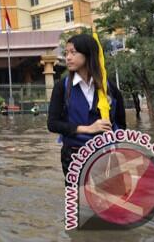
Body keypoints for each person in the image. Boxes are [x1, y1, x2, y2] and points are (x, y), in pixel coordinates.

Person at [47, 34, 126, 184]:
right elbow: (52, 124)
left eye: (73, 52)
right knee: (79, 202)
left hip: (105, 155)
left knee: (110, 201)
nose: (68, 57)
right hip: (74, 155)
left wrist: (115, 146)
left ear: (88, 54)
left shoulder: (109, 88)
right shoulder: (62, 87)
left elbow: (121, 124)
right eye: (66, 53)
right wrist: (87, 129)